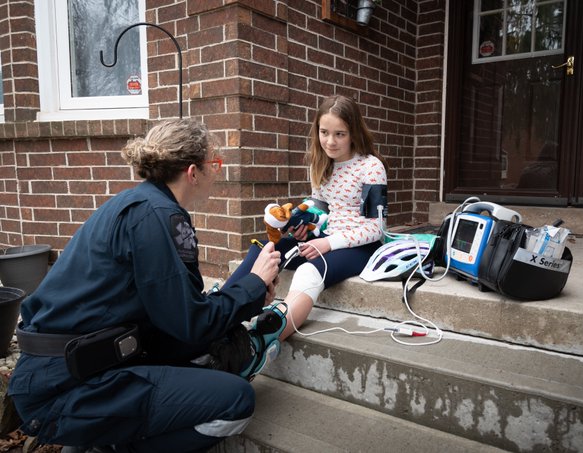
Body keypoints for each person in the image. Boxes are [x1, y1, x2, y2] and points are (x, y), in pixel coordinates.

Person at [8, 119, 283, 453]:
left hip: (62, 373)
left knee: (196, 357)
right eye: (217, 164)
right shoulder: (160, 217)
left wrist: (251, 291)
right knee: (236, 401)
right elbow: (191, 323)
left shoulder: (136, 204)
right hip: (67, 389)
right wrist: (253, 285)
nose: (219, 172)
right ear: (193, 172)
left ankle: (98, 440)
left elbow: (174, 315)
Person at [226, 94, 388, 340]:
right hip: (325, 237)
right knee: (266, 250)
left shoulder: (371, 166)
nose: (330, 142)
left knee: (309, 272)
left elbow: (375, 228)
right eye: (324, 132)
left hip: (361, 246)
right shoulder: (320, 163)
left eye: (340, 134)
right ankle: (218, 312)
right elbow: (320, 209)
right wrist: (306, 227)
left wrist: (326, 243)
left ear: (354, 132)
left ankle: (259, 344)